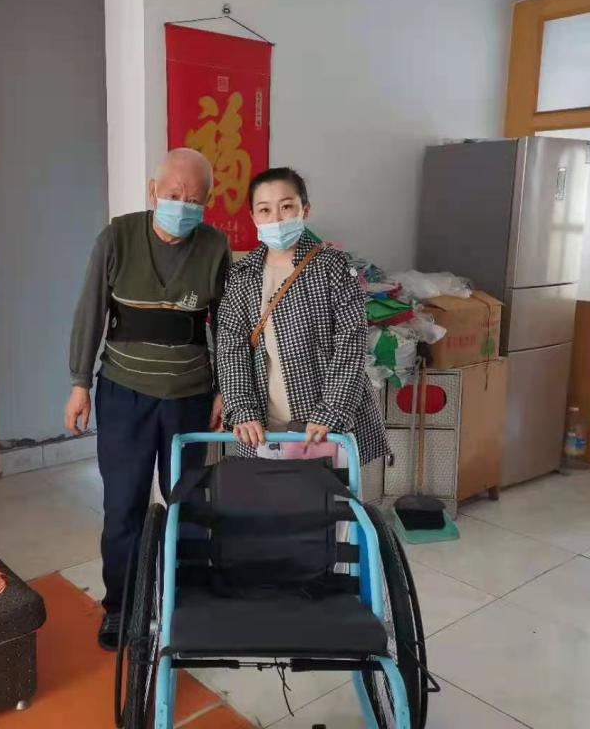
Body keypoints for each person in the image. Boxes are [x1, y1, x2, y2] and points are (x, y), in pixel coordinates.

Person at [65, 148, 231, 650]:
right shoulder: (117, 237)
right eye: (174, 194)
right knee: (123, 506)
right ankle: (122, 606)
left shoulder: (214, 246)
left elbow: (227, 324)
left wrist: (225, 389)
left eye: (195, 199)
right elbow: (90, 310)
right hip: (124, 395)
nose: (183, 205)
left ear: (207, 203)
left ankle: (188, 604)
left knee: (189, 503)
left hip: (190, 397)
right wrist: (79, 383)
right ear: (153, 191)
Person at [216, 166, 388, 464]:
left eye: (286, 207)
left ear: (304, 210)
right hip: (264, 428)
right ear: (253, 217)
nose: (276, 218)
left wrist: (331, 412)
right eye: (265, 210)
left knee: (328, 492)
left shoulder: (332, 267)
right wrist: (242, 409)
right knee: (267, 493)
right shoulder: (242, 275)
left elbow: (351, 343)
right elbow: (231, 348)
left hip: (324, 425)